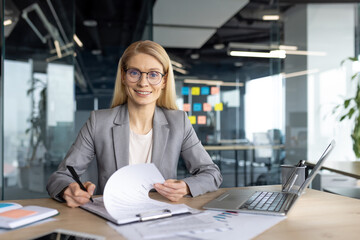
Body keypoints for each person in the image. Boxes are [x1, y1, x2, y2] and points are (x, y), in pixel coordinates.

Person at [46, 40, 222, 207]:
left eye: (153, 74)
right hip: (112, 218)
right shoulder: (98, 122)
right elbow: (61, 176)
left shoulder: (179, 122)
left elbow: (211, 173)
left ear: (164, 81)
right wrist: (68, 189)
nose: (143, 82)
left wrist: (186, 187)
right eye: (134, 73)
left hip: (161, 216)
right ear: (123, 76)